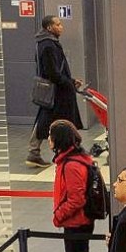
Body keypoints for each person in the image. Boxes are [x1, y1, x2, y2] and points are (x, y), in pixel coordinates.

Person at [50, 120, 98, 252]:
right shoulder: (74, 159)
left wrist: (58, 216)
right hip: (79, 222)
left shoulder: (71, 165)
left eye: (51, 136)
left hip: (77, 223)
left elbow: (76, 199)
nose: (49, 140)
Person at [26, 15, 83, 168]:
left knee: (46, 119)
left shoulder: (44, 43)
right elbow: (53, 72)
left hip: (55, 90)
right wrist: (68, 82)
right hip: (57, 91)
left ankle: (37, 152)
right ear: (49, 28)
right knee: (52, 121)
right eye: (58, 24)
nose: (61, 27)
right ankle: (39, 152)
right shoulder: (49, 45)